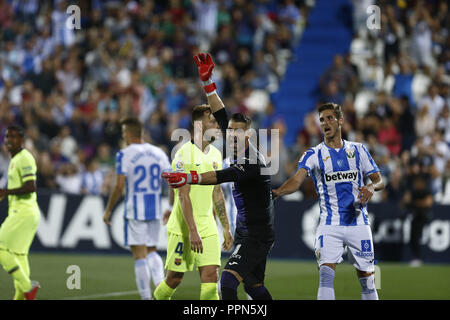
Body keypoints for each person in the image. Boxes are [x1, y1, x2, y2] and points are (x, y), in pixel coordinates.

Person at [162, 53, 275, 300]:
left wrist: (189, 178)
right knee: (253, 286)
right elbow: (221, 112)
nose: (231, 135)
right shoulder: (235, 144)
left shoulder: (253, 161)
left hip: (257, 234)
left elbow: (222, 176)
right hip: (246, 230)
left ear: (248, 136)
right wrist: (207, 83)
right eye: (230, 131)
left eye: (237, 132)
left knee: (226, 283)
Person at [272, 102, 385, 300]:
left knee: (368, 280)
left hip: (359, 222)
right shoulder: (314, 154)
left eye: (329, 118)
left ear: (340, 121)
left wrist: (370, 187)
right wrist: (277, 192)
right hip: (329, 225)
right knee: (325, 275)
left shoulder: (359, 150)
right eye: (322, 119)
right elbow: (297, 181)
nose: (325, 123)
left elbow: (379, 180)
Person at [153, 104, 234, 300]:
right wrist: (192, 231)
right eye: (212, 121)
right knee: (174, 278)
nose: (217, 125)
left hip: (207, 227)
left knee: (211, 278)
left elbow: (217, 191)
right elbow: (183, 195)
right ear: (199, 125)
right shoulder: (183, 154)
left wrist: (225, 227)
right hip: (184, 227)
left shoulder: (215, 154)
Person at [103, 118, 169, 300]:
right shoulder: (159, 153)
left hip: (135, 209)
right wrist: (171, 206)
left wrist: (108, 209)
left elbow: (118, 186)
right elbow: (172, 180)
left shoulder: (124, 154)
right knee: (152, 251)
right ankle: (161, 291)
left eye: (123, 132)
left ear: (128, 134)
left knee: (140, 256)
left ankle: (146, 297)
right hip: (155, 209)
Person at [0, 125, 41, 300]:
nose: (9, 140)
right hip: (26, 212)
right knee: (19, 255)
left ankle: (26, 287)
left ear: (22, 140)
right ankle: (22, 297)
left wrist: (6, 192)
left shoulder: (24, 158)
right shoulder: (16, 159)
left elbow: (31, 186)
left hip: (23, 211)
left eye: (14, 137)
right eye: (7, 137)